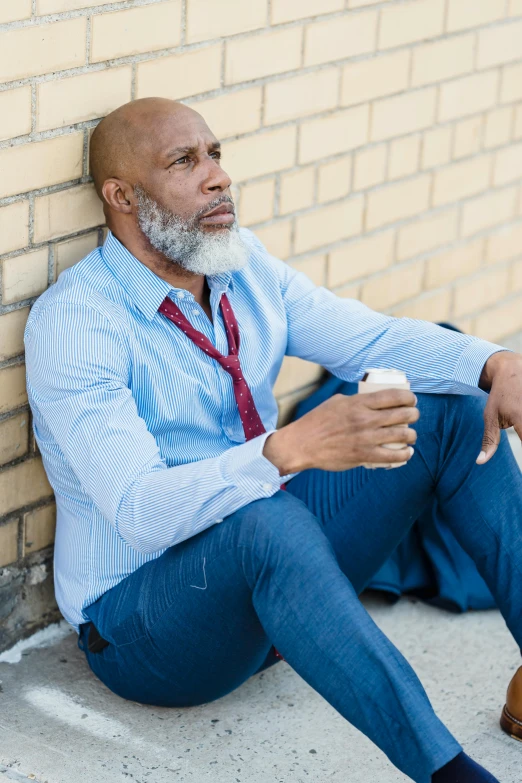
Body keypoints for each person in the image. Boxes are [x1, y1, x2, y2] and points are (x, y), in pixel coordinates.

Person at [23, 97, 522, 783]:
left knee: (457, 407)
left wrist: (496, 362)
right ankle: (452, 774)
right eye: (185, 161)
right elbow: (137, 509)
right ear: (122, 196)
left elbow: (370, 337)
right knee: (265, 519)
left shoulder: (241, 265)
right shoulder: (76, 323)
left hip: (274, 581)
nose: (218, 176)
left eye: (217, 154)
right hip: (146, 626)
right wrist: (288, 449)